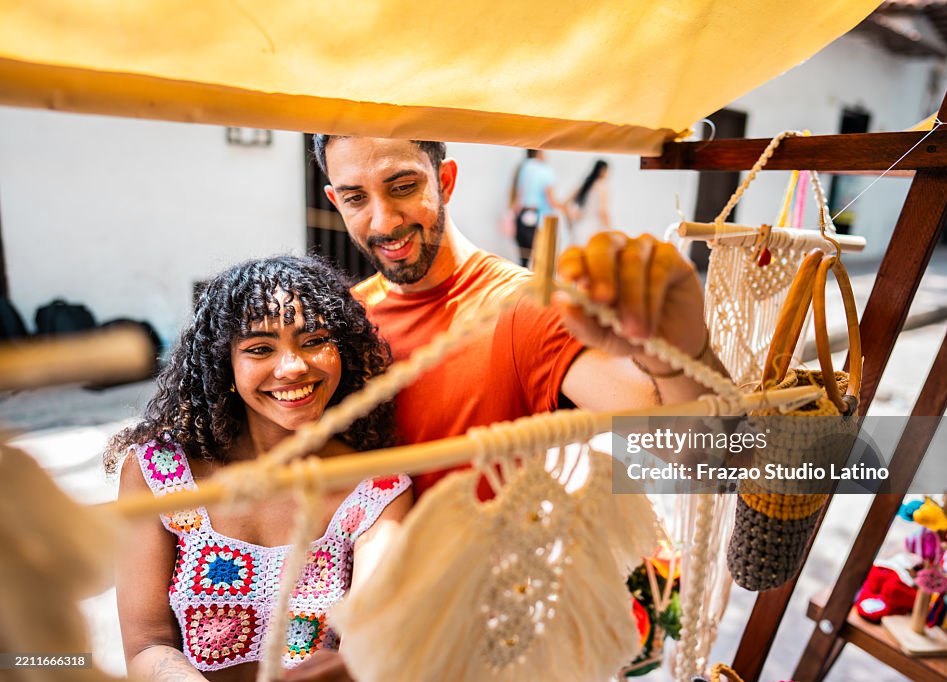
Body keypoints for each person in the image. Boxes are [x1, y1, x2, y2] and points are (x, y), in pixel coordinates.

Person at [311, 136, 719, 497]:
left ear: (446, 181)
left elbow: (709, 459)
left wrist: (678, 343)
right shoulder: (343, 318)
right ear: (336, 201)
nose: (384, 221)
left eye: (403, 187)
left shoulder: (526, 307)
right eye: (356, 198)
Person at [106, 255, 411, 681]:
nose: (293, 367)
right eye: (260, 349)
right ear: (224, 365)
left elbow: (366, 637)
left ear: (343, 351)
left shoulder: (377, 488)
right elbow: (146, 642)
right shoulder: (160, 473)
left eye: (314, 340)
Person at [511, 149, 564, 265]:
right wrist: (566, 209)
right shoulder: (545, 170)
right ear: (539, 152)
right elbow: (551, 200)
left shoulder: (523, 168)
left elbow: (518, 195)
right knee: (539, 259)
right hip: (538, 217)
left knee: (524, 258)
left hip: (522, 215)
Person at [567, 159, 612, 247]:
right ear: (603, 171)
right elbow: (602, 211)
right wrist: (610, 230)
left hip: (579, 229)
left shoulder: (585, 185)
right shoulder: (602, 186)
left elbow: (565, 204)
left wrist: (570, 221)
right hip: (594, 230)